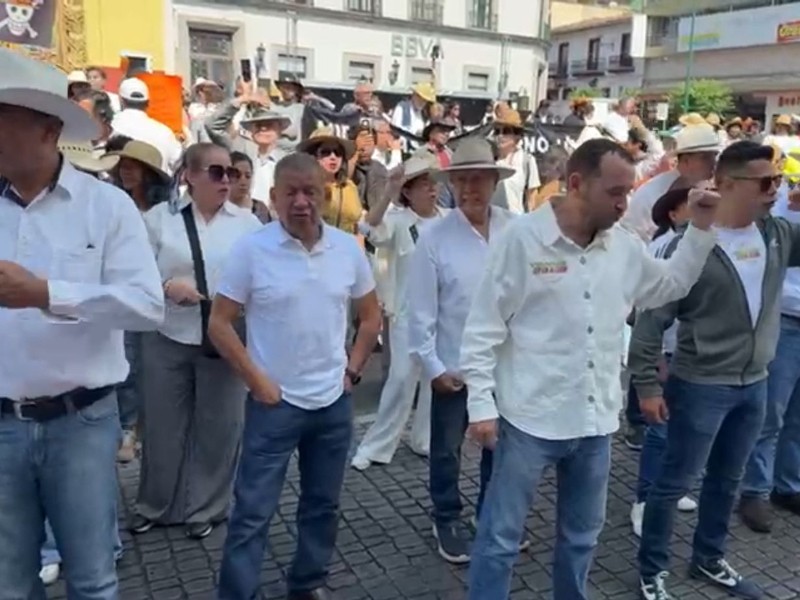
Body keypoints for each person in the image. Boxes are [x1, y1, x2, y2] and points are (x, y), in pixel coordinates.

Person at [460, 138, 717, 600]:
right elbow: (484, 327)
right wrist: (481, 405)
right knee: (500, 539)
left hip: (596, 423)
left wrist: (699, 227)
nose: (624, 204)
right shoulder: (523, 239)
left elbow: (672, 283)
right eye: (615, 192)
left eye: (627, 192)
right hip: (528, 419)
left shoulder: (624, 247)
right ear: (576, 183)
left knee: (581, 539)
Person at [0, 48, 164, 599]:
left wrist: (47, 293)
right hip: (1, 424)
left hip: (82, 424)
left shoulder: (107, 207)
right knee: (9, 583)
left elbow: (146, 306)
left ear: (47, 129)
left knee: (92, 581)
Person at [629, 141, 800, 600]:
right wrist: (646, 384)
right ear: (725, 185)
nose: (774, 191)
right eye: (766, 182)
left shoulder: (777, 234)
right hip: (700, 383)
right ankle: (652, 570)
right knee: (673, 483)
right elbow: (651, 321)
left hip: (755, 381)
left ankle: (708, 558)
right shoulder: (692, 242)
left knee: (727, 480)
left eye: (779, 181)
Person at [211, 153, 382, 600]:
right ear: (274, 197)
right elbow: (219, 323)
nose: (301, 202)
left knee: (322, 505)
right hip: (274, 405)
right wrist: (257, 381)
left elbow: (370, 316)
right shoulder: (252, 250)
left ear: (325, 196)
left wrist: (354, 370)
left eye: (311, 192)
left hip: (332, 403)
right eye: (291, 192)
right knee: (252, 511)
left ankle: (307, 583)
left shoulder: (346, 249)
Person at [130, 143, 261, 540]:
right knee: (161, 425)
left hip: (224, 340)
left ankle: (207, 508)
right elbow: (132, 273)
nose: (228, 181)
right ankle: (156, 504)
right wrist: (167, 285)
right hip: (167, 333)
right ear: (189, 174)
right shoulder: (158, 220)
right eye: (217, 172)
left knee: (220, 427)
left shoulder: (248, 224)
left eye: (233, 173)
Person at [407, 137, 516, 564]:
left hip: (504, 365)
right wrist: (433, 366)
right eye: (463, 180)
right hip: (453, 364)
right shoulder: (433, 238)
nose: (471, 188)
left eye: (479, 179)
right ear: (452, 184)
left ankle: (489, 513)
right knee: (447, 449)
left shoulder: (515, 228)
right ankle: (446, 516)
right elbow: (420, 310)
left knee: (499, 445)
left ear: (494, 181)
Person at [351, 156, 446, 471]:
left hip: (443, 314)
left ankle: (426, 439)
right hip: (407, 312)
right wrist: (389, 189)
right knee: (401, 378)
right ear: (408, 192)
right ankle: (376, 446)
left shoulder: (448, 220)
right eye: (423, 185)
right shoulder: (398, 220)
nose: (432, 191)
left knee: (436, 380)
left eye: (433, 184)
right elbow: (366, 227)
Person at [629, 187, 698, 538]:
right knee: (658, 431)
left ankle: (670, 489)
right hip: (666, 351)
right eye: (694, 205)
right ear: (673, 214)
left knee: (679, 430)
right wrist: (655, 358)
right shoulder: (662, 248)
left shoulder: (698, 243)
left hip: (687, 353)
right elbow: (643, 311)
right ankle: (643, 500)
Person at [739, 150, 800, 532]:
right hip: (786, 321)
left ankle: (787, 485)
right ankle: (753, 490)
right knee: (770, 413)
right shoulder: (779, 206)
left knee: (796, 417)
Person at [297, 127, 361, 236]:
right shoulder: (302, 187)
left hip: (346, 249)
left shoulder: (350, 187)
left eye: (338, 152)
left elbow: (356, 227)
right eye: (326, 152)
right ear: (313, 156)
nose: (333, 157)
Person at [111, 78, 183, 173]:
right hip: (158, 186)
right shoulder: (164, 132)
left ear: (121, 100)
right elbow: (178, 162)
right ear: (148, 103)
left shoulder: (109, 126)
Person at [490, 107, 541, 214]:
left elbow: (532, 197)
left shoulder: (527, 161)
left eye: (506, 131)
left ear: (517, 136)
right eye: (497, 131)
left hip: (516, 223)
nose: (500, 136)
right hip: (491, 224)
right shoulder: (489, 158)